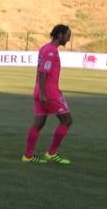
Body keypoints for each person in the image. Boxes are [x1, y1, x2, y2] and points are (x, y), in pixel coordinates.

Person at [23, 24, 74, 165]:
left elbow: (40, 71)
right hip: (48, 93)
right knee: (67, 121)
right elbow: (43, 72)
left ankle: (28, 156)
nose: (68, 39)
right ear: (60, 35)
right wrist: (45, 93)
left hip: (41, 90)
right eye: (67, 36)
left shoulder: (44, 48)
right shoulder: (51, 51)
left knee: (38, 124)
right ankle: (51, 153)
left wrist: (41, 90)